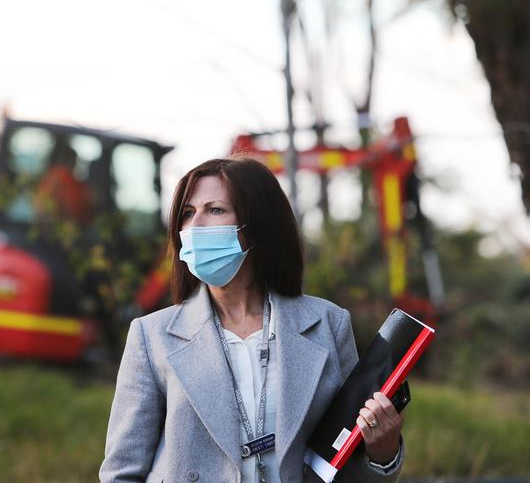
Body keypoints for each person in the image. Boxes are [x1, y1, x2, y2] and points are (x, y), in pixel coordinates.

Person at [99, 158, 404, 482]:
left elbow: (348, 463)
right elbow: (122, 471)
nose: (195, 225)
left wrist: (383, 454)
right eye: (188, 213)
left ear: (256, 223)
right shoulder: (151, 335)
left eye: (215, 210)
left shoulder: (329, 324)